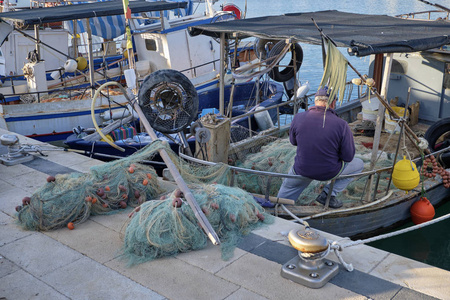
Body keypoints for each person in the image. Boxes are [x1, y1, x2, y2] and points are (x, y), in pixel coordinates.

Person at [277, 87, 364, 208]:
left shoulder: (298, 118)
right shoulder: (342, 125)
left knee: (284, 195)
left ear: (316, 101)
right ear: (333, 103)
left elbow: (293, 142)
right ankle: (328, 194)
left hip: (302, 169)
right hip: (329, 172)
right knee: (359, 164)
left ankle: (280, 206)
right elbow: (348, 157)